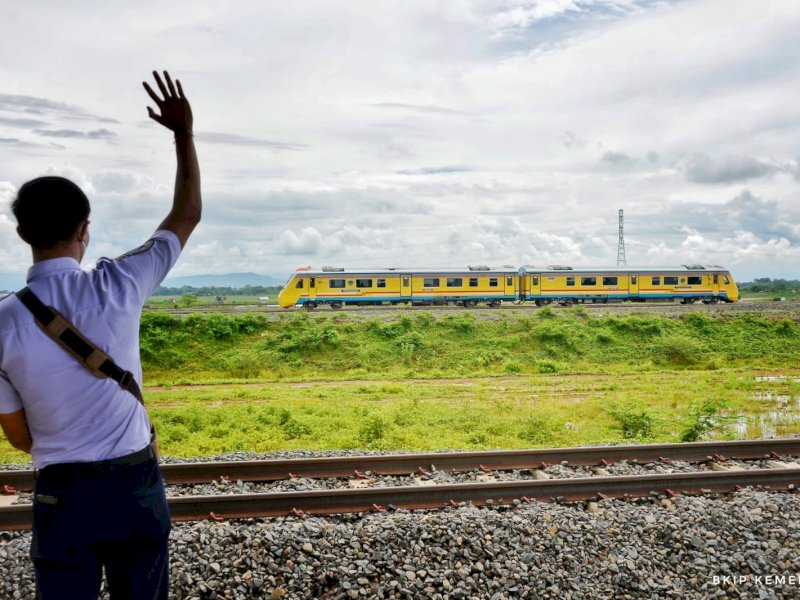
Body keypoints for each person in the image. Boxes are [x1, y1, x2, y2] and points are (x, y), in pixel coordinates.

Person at [0, 70, 200, 598]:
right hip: (134, 486)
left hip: (62, 497)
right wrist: (183, 135)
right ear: (85, 229)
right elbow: (186, 214)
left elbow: (19, 437)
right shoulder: (121, 283)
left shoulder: (2, 322)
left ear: (21, 234)